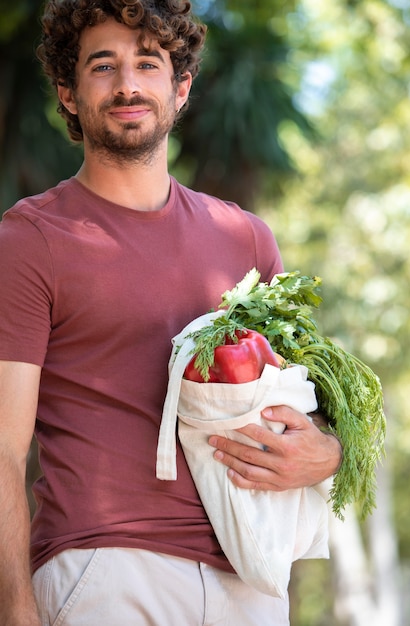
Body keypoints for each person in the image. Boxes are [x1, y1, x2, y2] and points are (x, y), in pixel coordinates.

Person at [0, 1, 342, 625]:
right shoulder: (32, 239)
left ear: (180, 89)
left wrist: (330, 453)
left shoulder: (246, 239)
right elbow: (2, 444)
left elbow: (305, 403)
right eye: (102, 66)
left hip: (251, 572)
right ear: (68, 94)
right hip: (106, 570)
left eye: (148, 64)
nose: (127, 83)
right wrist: (14, 606)